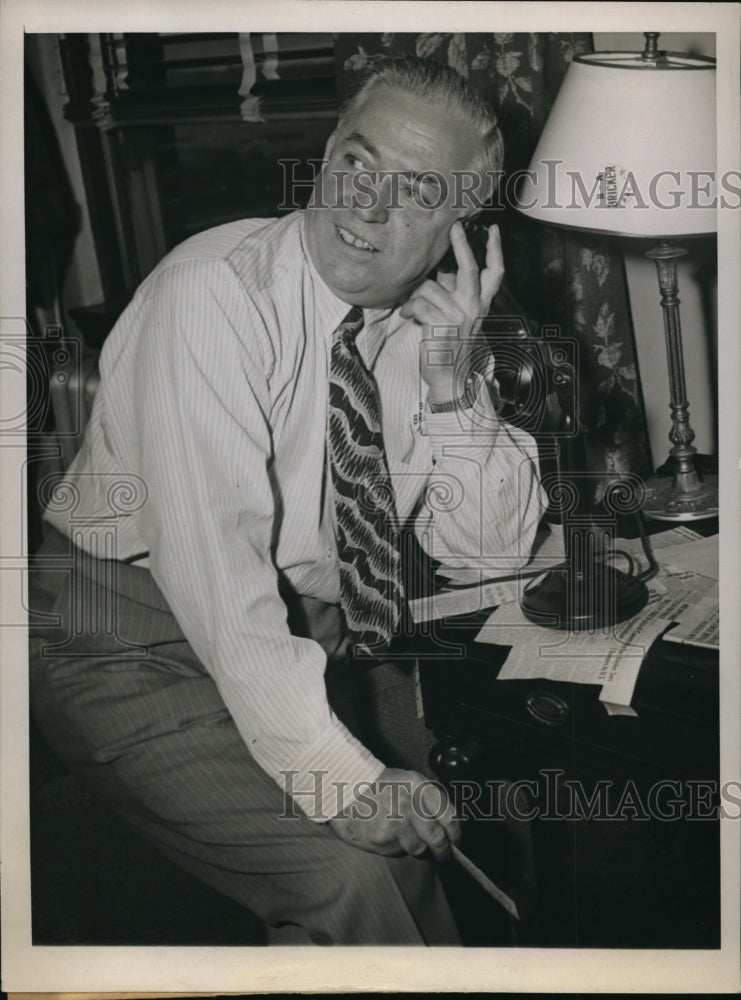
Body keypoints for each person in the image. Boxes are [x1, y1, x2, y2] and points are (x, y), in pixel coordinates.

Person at [29, 56, 545, 945]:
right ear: (326, 151)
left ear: (463, 223)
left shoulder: (432, 333)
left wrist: (455, 382)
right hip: (123, 649)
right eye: (356, 161)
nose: (366, 207)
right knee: (361, 877)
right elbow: (216, 575)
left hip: (305, 641)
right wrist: (337, 781)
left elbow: (490, 555)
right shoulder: (213, 294)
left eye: (417, 190)